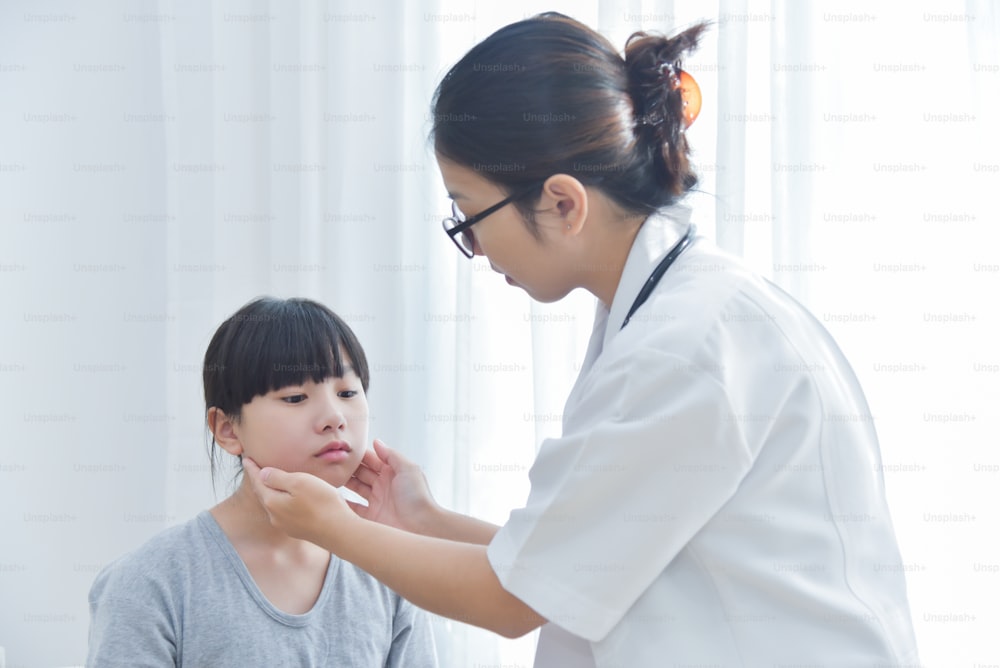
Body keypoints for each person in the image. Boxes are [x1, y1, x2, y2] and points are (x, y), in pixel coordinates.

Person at [243, 13, 921, 667]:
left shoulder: (684, 346)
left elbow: (512, 600)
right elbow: (558, 570)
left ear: (563, 203)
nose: (472, 247)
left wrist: (336, 529)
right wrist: (420, 518)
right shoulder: (671, 318)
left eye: (469, 215)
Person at [86, 297, 437, 667]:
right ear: (227, 428)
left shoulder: (393, 571)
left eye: (348, 393)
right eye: (295, 397)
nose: (334, 417)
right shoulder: (149, 582)